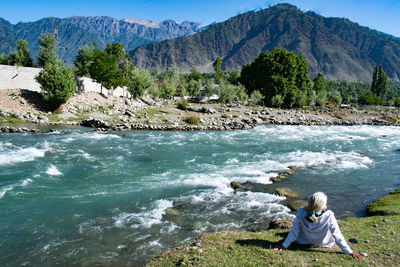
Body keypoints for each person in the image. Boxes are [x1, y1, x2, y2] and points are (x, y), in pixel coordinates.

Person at [274, 192, 364, 260]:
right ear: (323, 206)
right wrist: (350, 252)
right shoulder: (329, 215)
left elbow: (294, 230)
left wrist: (284, 245)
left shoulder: (301, 211)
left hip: (303, 241)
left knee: (292, 231)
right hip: (323, 243)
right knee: (332, 232)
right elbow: (337, 235)